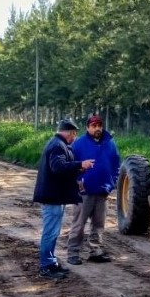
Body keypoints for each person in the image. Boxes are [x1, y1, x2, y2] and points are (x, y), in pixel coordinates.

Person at [33, 119, 95, 279]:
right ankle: (46, 266)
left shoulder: (57, 144)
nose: (74, 137)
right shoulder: (57, 146)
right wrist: (80, 164)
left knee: (53, 232)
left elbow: (61, 169)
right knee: (50, 232)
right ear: (68, 132)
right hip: (52, 198)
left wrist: (76, 175)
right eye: (74, 134)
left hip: (55, 197)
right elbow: (58, 167)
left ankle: (51, 263)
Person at [66, 115, 121, 265]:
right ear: (88, 128)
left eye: (99, 125)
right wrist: (76, 181)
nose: (97, 128)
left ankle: (95, 252)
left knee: (98, 225)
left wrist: (111, 183)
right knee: (79, 224)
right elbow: (70, 165)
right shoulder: (78, 144)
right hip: (84, 192)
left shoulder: (110, 143)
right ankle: (73, 253)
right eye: (94, 126)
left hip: (102, 191)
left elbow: (116, 164)